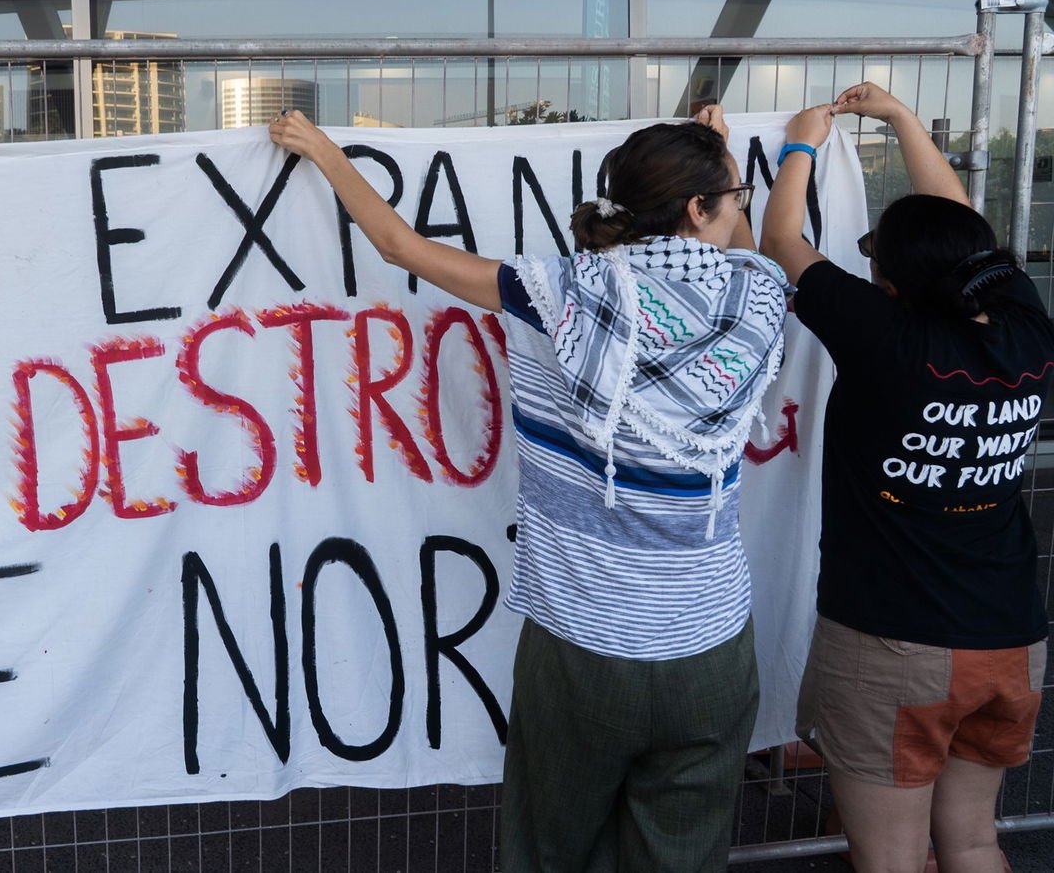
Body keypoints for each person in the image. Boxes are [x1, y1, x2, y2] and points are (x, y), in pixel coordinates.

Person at [268, 106, 789, 872]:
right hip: (709, 647)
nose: (742, 206)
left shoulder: (559, 292)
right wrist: (716, 156)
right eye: (736, 195)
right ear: (700, 209)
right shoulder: (761, 296)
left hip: (582, 645)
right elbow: (743, 255)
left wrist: (323, 150)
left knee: (551, 846)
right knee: (683, 851)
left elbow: (399, 245)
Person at [761, 83, 1053, 873]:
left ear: (890, 280)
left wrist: (799, 144)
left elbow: (780, 238)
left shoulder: (883, 338)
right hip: (1010, 639)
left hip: (894, 644)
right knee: (972, 842)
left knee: (890, 857)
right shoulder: (1027, 329)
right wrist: (900, 121)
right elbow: (967, 234)